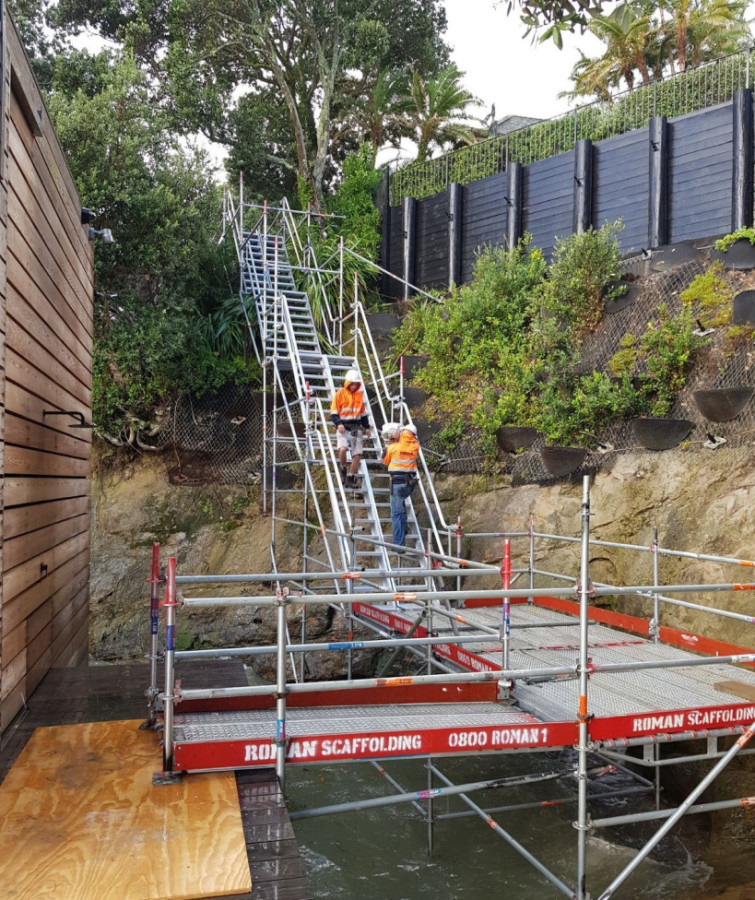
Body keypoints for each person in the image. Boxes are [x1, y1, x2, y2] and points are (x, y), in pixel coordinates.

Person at [330, 369, 371, 488]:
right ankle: (343, 468)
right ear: (347, 383)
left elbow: (363, 414)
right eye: (352, 384)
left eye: (356, 384)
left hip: (356, 428)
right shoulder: (339, 394)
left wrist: (367, 427)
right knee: (342, 449)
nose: (354, 386)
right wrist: (339, 424)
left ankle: (351, 477)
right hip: (343, 428)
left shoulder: (359, 396)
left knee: (357, 454)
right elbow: (333, 414)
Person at [382, 423, 420, 548]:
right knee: (401, 505)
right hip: (410, 485)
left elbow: (384, 460)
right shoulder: (415, 446)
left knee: (396, 514)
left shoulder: (393, 447)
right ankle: (404, 528)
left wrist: (388, 445)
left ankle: (399, 545)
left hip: (397, 484)